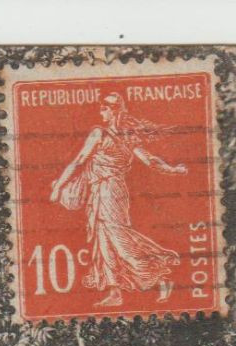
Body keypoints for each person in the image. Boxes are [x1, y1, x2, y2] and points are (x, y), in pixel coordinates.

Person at [50, 92, 187, 308]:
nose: (100, 112)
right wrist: (173, 169)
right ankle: (115, 292)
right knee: (103, 239)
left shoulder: (100, 133)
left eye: (104, 108)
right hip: (104, 190)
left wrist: (58, 185)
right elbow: (150, 161)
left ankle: (160, 274)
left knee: (118, 237)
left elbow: (79, 160)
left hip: (109, 190)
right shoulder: (127, 137)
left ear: (113, 111)